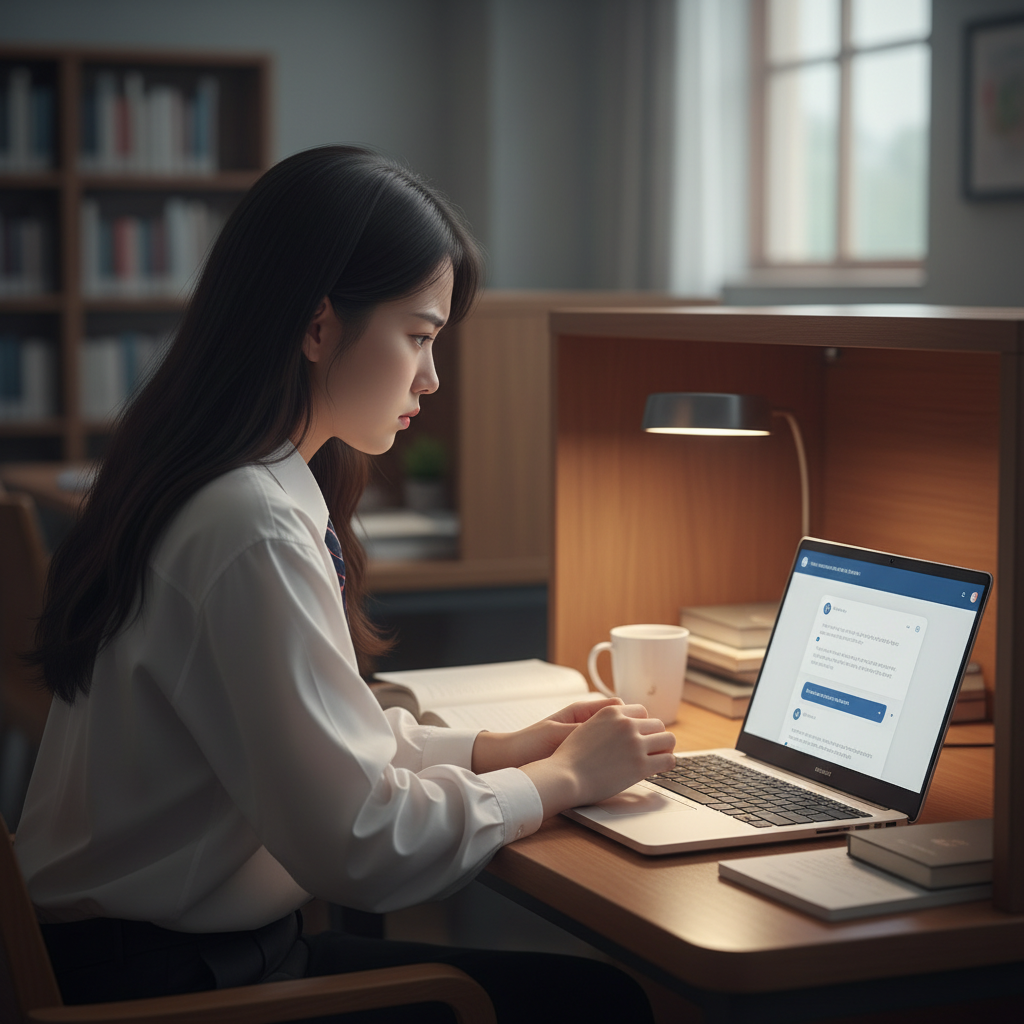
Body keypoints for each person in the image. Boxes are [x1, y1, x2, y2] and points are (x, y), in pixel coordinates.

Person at [15, 146, 675, 1023]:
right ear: (319, 326)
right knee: (600, 1003)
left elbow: (318, 749)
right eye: (419, 335)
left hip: (143, 956)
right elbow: (360, 845)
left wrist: (492, 752)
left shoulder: (217, 485)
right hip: (175, 988)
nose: (431, 377)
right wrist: (559, 784)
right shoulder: (249, 525)